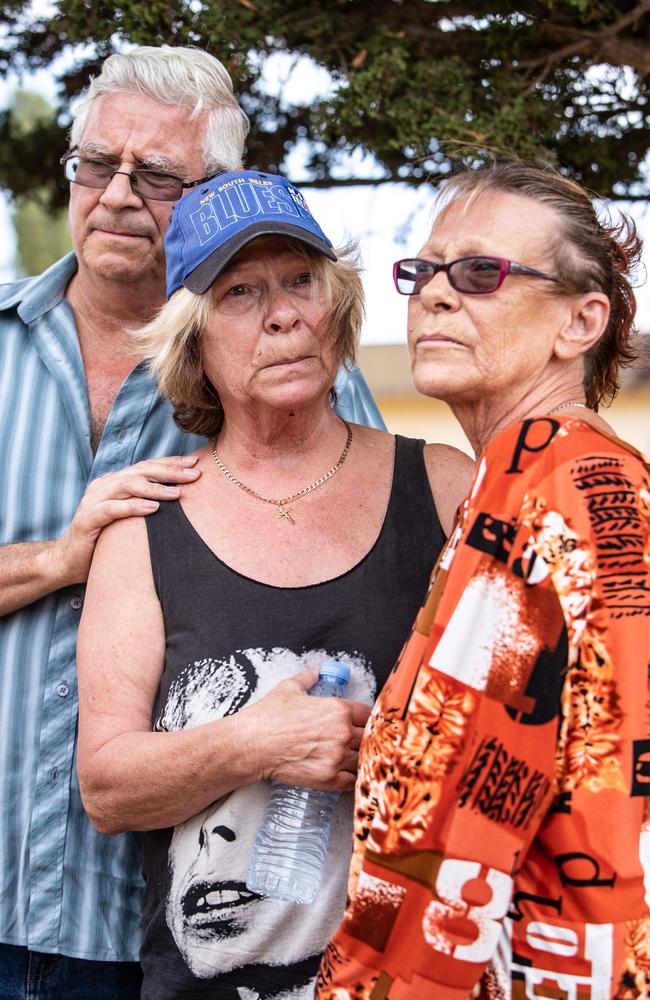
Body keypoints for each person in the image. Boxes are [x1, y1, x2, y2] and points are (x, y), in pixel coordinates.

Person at [0, 47, 385, 998]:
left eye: (159, 175)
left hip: (185, 939)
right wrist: (60, 558)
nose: (119, 195)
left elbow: (375, 603)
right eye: (96, 165)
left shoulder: (297, 372)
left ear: (217, 191)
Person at [75, 168, 475, 999]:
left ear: (336, 306)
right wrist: (260, 742)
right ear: (193, 340)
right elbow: (107, 787)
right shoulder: (144, 530)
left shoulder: (441, 488)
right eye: (241, 293)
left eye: (301, 280)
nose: (284, 313)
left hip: (416, 974)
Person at [317, 161, 650, 999]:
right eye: (421, 271)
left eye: (479, 273)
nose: (431, 294)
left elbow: (454, 823)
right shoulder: (545, 478)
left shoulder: (550, 494)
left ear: (580, 321)